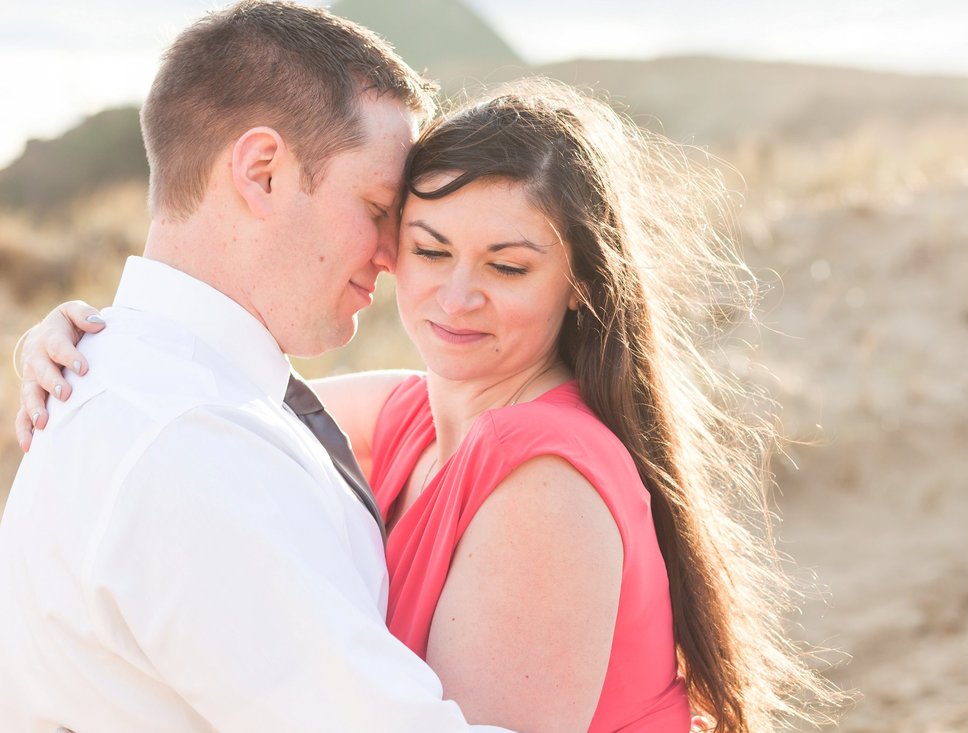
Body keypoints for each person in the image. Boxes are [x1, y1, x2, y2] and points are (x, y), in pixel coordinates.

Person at [13, 76, 841, 730]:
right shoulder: (415, 413)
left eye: (508, 267)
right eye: (427, 247)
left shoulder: (545, 486)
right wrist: (85, 339)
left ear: (583, 284)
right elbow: (221, 406)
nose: (456, 295)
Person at [0, 2, 515, 731]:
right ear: (262, 171)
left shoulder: (157, 383)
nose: (392, 256)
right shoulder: (189, 439)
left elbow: (461, 405)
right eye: (376, 206)